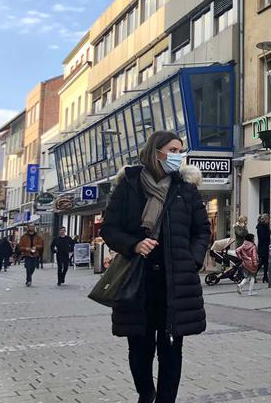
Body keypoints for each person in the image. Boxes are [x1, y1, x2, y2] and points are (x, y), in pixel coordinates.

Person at [100, 130, 210, 403]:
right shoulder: (129, 185)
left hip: (175, 283)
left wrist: (192, 259)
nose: (178, 155)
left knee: (172, 349)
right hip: (137, 281)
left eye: (180, 150)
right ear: (156, 151)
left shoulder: (186, 189)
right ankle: (146, 393)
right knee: (139, 348)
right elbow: (110, 228)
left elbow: (202, 230)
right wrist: (134, 244)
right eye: (172, 149)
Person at [256, 214, 271, 283]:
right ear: (265, 219)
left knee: (265, 262)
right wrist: (269, 236)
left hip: (265, 246)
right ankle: (255, 274)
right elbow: (262, 237)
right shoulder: (261, 227)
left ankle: (265, 276)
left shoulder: (265, 226)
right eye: (268, 219)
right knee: (262, 261)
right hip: (263, 246)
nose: (269, 221)